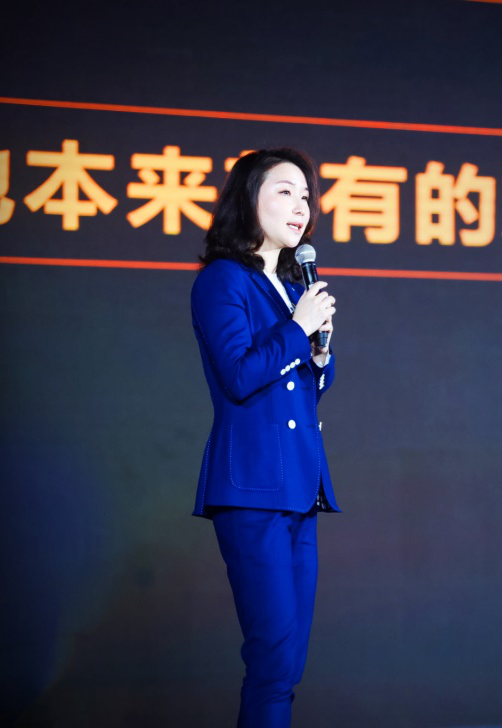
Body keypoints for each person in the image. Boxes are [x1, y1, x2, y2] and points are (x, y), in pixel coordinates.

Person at [190, 148, 339, 727]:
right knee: (273, 659)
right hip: (253, 489)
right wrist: (298, 329)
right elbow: (239, 374)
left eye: (306, 197)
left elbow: (300, 394)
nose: (301, 207)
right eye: (285, 192)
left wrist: (319, 353)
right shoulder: (223, 280)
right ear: (247, 199)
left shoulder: (290, 288)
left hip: (300, 489)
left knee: (289, 663)